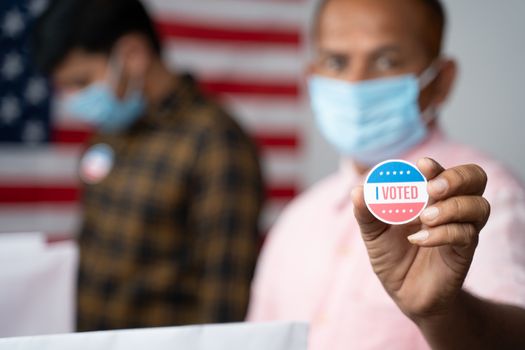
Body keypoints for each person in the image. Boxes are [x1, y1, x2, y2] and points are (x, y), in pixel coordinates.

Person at [248, 0, 525, 349]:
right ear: (312, 78)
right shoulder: (298, 218)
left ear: (440, 81)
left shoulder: (483, 198)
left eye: (385, 61)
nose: (355, 82)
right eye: (336, 61)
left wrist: (441, 312)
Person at [31, 0, 264, 331]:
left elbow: (223, 302)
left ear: (133, 54)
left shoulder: (216, 142)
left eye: (82, 82)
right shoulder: (107, 131)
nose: (73, 99)